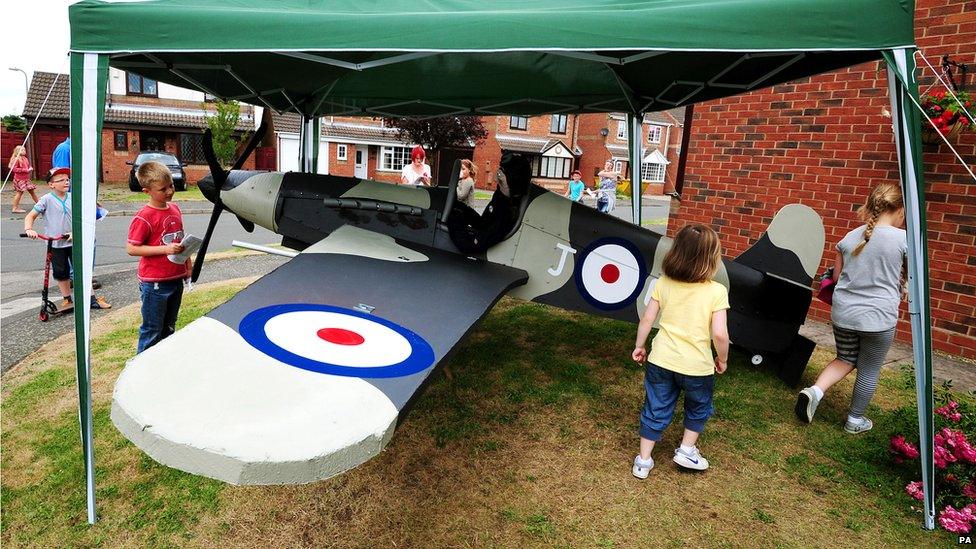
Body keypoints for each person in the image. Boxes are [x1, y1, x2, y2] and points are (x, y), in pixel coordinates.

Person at [795, 183, 907, 434]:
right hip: (878, 318)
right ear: (900, 211)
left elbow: (835, 279)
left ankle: (814, 391)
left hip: (843, 314)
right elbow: (915, 277)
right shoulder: (904, 239)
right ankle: (855, 420)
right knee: (868, 368)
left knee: (845, 357)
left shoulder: (849, 238)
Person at [631, 223, 730, 477]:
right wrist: (722, 359)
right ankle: (686, 450)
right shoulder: (717, 292)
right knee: (699, 407)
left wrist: (640, 346)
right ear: (711, 259)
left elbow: (647, 319)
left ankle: (643, 461)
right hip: (697, 367)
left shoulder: (663, 283)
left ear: (676, 253)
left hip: (661, 360)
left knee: (656, 406)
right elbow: (719, 334)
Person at [24, 168, 111, 312]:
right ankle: (67, 299)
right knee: (60, 272)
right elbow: (30, 216)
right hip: (56, 243)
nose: (66, 182)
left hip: (74, 241)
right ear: (51, 184)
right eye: (61, 180)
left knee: (82, 270)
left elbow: (86, 218)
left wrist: (76, 232)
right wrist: (29, 229)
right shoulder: (46, 199)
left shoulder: (74, 197)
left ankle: (91, 298)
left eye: (67, 179)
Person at [126, 161, 191, 353]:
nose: (170, 191)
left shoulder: (175, 209)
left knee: (169, 326)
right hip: (155, 284)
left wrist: (188, 265)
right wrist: (165, 250)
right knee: (152, 329)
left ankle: (163, 363)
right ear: (147, 191)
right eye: (163, 189)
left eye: (171, 185)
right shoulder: (144, 217)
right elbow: (131, 248)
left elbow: (181, 239)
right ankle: (141, 370)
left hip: (175, 279)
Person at [447, 153, 531, 254]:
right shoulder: (501, 198)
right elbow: (483, 223)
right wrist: (461, 208)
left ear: (513, 181)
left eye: (501, 177)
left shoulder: (506, 213)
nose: (498, 179)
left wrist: (454, 222)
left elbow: (472, 246)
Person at [8, 145, 39, 214]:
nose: (24, 151)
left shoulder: (25, 158)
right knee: (20, 192)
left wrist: (30, 168)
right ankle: (15, 208)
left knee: (32, 191)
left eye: (24, 150)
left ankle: (40, 204)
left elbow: (28, 166)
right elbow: (14, 169)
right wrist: (25, 170)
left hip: (26, 179)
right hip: (20, 179)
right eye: (22, 150)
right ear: (18, 151)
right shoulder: (16, 159)